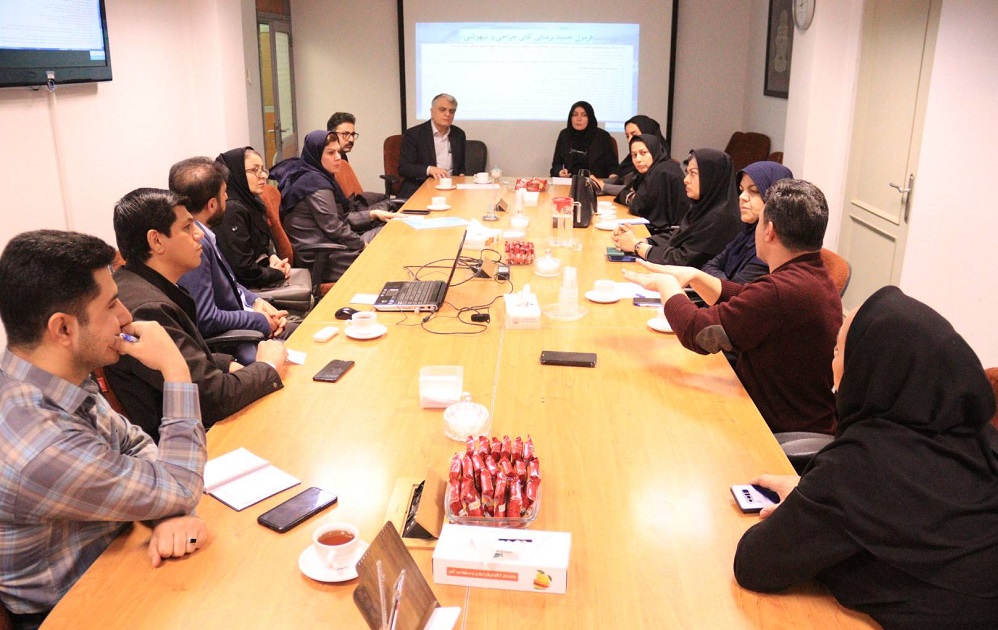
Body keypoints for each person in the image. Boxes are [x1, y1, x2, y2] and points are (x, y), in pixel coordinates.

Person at [734, 286, 998, 628]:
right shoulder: (979, 437)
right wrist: (814, 496)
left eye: (838, 351)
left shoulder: (863, 464)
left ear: (869, 369)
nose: (832, 363)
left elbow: (755, 565)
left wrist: (809, 503)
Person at [0, 230, 207, 629]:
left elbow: (133, 442)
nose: (126, 317)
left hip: (118, 558)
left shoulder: (52, 378)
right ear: (63, 329)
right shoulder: (40, 446)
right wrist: (176, 371)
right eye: (112, 305)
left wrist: (165, 509)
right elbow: (181, 486)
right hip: (77, 610)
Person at [623, 179, 841, 435]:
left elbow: (698, 332)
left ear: (769, 231)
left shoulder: (782, 290)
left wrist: (666, 285)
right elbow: (749, 300)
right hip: (785, 410)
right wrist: (695, 276)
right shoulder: (811, 275)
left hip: (775, 428)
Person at [104, 188, 287, 442]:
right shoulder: (146, 309)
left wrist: (225, 363)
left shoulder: (142, 284)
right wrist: (266, 366)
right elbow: (212, 399)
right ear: (156, 241)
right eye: (187, 227)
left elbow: (186, 357)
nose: (199, 234)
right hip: (188, 441)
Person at [169, 157, 295, 365]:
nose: (227, 197)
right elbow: (206, 318)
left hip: (248, 324)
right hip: (239, 342)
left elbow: (229, 283)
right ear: (212, 204)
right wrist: (259, 320)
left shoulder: (204, 234)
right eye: (224, 193)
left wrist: (256, 301)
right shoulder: (194, 245)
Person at [270, 130, 394, 282]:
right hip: (321, 258)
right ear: (316, 155)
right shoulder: (314, 184)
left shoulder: (313, 175)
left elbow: (337, 219)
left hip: (329, 246)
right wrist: (361, 244)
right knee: (386, 255)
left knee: (388, 232)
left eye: (338, 152)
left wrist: (372, 214)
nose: (338, 157)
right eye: (331, 153)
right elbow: (333, 226)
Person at [613, 148, 741, 268]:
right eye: (687, 173)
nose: (686, 180)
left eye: (693, 173)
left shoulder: (722, 218)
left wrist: (636, 246)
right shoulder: (703, 206)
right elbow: (678, 236)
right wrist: (643, 241)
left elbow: (682, 260)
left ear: (712, 177)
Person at [212, 146, 294, 289]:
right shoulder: (231, 209)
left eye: (262, 169)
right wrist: (276, 273)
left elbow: (261, 242)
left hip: (258, 276)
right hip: (244, 289)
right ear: (236, 173)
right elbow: (243, 270)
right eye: (255, 170)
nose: (263, 176)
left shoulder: (252, 201)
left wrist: (272, 257)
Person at [701, 161, 793, 285]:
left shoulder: (773, 245)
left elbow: (737, 291)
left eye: (754, 191)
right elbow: (709, 266)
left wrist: (719, 282)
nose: (742, 197)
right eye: (741, 190)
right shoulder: (746, 235)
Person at [610, 133, 688, 236]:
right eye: (634, 155)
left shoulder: (662, 171)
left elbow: (639, 207)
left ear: (654, 150)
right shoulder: (649, 171)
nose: (638, 159)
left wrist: (632, 197)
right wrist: (633, 196)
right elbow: (623, 194)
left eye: (643, 153)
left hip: (671, 235)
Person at [397, 93, 467, 198]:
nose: (447, 114)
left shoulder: (459, 134)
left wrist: (461, 175)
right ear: (432, 111)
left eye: (452, 111)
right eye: (442, 109)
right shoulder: (414, 134)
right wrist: (429, 169)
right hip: (421, 185)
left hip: (451, 186)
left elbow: (461, 166)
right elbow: (404, 168)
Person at [596, 114, 669, 196]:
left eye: (634, 135)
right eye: (627, 136)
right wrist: (598, 182)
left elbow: (635, 190)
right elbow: (622, 179)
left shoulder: (660, 165)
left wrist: (603, 186)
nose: (630, 140)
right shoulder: (632, 158)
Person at [549, 101, 618, 178]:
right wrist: (560, 172)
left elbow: (613, 166)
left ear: (590, 118)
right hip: (570, 181)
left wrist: (612, 177)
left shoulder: (603, 136)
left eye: (584, 115)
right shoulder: (564, 135)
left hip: (596, 181)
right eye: (575, 115)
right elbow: (556, 164)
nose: (578, 119)